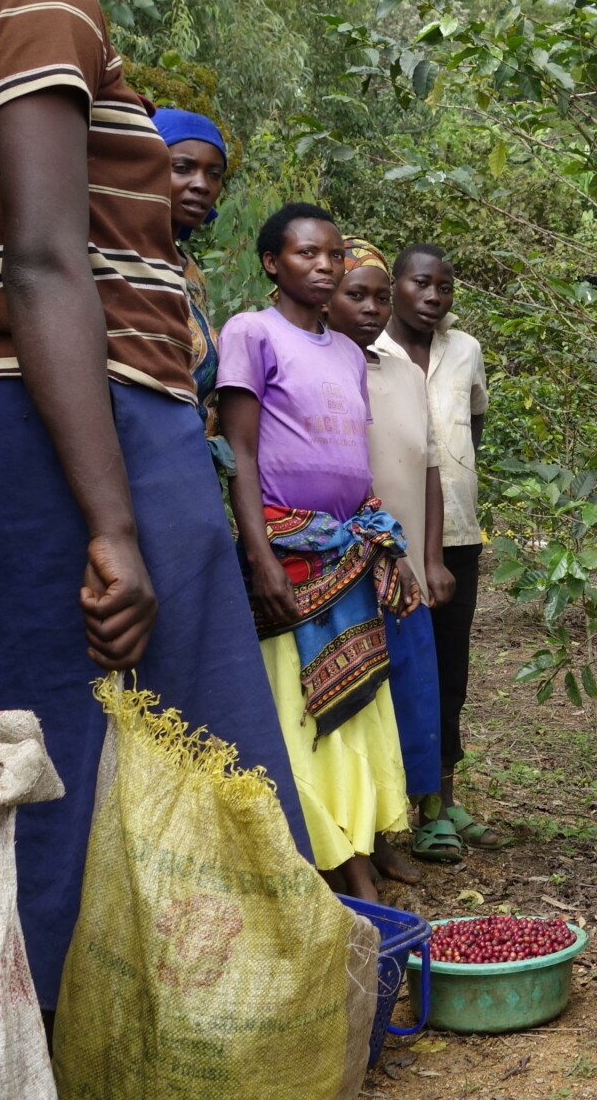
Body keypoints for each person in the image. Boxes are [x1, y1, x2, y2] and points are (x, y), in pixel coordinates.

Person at [0, 0, 307, 1009]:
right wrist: (114, 524)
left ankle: (23, 1047)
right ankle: (206, 1038)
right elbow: (40, 261)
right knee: (198, 763)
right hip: (92, 430)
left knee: (23, 776)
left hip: (12, 428)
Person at [219, 204, 420, 904]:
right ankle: (326, 858)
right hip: (290, 549)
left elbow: (349, 459)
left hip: (350, 549)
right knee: (298, 707)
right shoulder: (251, 332)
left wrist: (384, 542)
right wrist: (260, 554)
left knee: (360, 711)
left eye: (334, 255)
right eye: (309, 253)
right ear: (272, 262)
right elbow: (239, 450)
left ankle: (356, 842)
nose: (326, 266)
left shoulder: (345, 351)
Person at [327, 238, 456, 872]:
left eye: (381, 296)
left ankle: (393, 832)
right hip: (344, 564)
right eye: (360, 294)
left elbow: (430, 467)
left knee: (407, 698)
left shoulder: (403, 372)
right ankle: (355, 841)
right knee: (356, 704)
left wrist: (430, 557)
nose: (374, 308)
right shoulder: (319, 363)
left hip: (402, 567)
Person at [375, 243, 506, 852]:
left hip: (455, 534)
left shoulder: (467, 350)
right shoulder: (365, 346)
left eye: (444, 288)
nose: (433, 297)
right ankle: (394, 806)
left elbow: (470, 430)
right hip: (383, 536)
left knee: (449, 670)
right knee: (388, 666)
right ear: (396, 285)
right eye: (421, 284)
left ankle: (443, 800)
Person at [150, 106, 228, 424]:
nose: (202, 185)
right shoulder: (109, 259)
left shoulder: (191, 272)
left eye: (214, 174)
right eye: (183, 168)